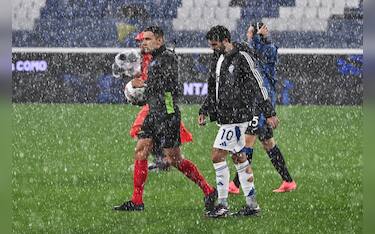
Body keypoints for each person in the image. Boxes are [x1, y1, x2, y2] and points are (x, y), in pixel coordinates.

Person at [113, 26, 217, 213]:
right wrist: (139, 94)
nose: (144, 42)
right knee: (141, 150)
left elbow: (165, 87)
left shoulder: (167, 58)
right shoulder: (153, 60)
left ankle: (208, 190)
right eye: (143, 39)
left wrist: (140, 87)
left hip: (167, 115)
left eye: (148, 39)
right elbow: (153, 92)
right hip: (154, 113)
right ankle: (137, 201)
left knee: (175, 159)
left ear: (159, 41)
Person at [199, 25, 279, 217]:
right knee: (239, 157)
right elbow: (213, 87)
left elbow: (257, 82)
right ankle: (252, 205)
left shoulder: (242, 56)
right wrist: (205, 109)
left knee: (217, 156)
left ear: (226, 40)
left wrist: (268, 111)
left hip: (239, 116)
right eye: (211, 45)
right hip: (226, 116)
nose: (213, 48)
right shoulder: (217, 58)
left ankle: (222, 204)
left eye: (215, 44)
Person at [228, 23, 297, 194]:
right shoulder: (264, 49)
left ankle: (236, 184)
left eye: (250, 32)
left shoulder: (268, 49)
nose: (248, 35)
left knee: (247, 140)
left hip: (261, 102)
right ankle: (288, 180)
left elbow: (250, 51)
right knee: (267, 142)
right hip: (260, 101)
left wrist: (257, 37)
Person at [128, 32, 193, 171]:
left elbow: (166, 85)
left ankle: (164, 159)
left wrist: (145, 87)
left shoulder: (161, 58)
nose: (142, 44)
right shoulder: (146, 58)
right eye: (140, 41)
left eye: (145, 40)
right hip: (156, 102)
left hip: (165, 102)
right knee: (148, 133)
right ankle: (162, 160)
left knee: (148, 129)